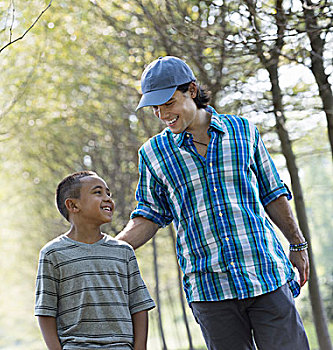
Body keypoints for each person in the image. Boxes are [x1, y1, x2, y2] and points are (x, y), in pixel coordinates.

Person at [116, 56, 310, 349]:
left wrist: (297, 243)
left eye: (168, 103)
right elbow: (149, 215)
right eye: (154, 107)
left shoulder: (243, 131)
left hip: (264, 275)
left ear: (191, 90)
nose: (161, 114)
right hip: (209, 289)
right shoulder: (153, 153)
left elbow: (273, 193)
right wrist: (109, 250)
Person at [35, 171, 155, 350]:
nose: (107, 198)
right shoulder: (52, 254)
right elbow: (45, 311)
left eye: (108, 193)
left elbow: (139, 306)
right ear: (73, 205)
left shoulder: (124, 252)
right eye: (98, 192)